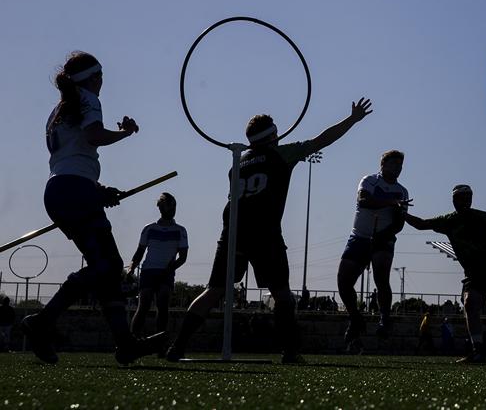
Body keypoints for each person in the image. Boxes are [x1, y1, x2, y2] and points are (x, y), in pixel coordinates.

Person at [166, 98, 372, 364]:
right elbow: (322, 140)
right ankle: (289, 352)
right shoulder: (280, 154)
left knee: (214, 290)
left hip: (233, 231)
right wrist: (352, 120)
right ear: (273, 135)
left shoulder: (237, 163)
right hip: (264, 232)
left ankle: (177, 346)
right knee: (282, 294)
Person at [22, 51, 163, 365]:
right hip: (75, 190)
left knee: (107, 271)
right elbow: (93, 136)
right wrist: (126, 133)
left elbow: (70, 158)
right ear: (91, 78)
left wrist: (98, 190)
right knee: (109, 266)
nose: (102, 84)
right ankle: (42, 322)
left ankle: (125, 343)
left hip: (60, 190)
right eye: (100, 77)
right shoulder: (88, 100)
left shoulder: (57, 111)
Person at [405, 184, 486, 363]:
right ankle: (478, 350)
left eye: (467, 198)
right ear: (453, 200)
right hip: (475, 273)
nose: (464, 201)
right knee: (469, 304)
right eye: (460, 198)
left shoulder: (484, 217)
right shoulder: (449, 221)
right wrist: (401, 213)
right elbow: (421, 224)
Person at [337, 150, 411, 350]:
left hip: (383, 239)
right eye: (394, 164)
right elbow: (364, 201)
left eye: (400, 166)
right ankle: (355, 318)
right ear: (383, 165)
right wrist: (390, 202)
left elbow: (399, 224)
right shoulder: (369, 181)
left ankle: (384, 319)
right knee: (343, 282)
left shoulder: (402, 191)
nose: (397, 169)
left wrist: (385, 232)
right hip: (359, 237)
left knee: (381, 277)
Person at [127, 193, 188, 338]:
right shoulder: (149, 229)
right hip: (148, 271)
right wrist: (131, 268)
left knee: (162, 306)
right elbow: (139, 252)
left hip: (166, 273)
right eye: (169, 206)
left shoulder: (180, 230)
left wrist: (169, 269)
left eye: (174, 206)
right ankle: (131, 340)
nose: (172, 209)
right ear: (161, 208)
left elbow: (183, 257)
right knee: (144, 305)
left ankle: (159, 343)